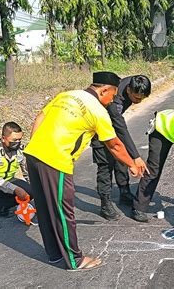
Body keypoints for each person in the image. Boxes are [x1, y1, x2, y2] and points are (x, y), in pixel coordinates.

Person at [24, 72, 144, 271]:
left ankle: (54, 254)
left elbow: (40, 117)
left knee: (45, 209)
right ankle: (75, 260)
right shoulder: (98, 111)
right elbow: (114, 145)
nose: (111, 101)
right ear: (104, 90)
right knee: (64, 212)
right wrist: (132, 164)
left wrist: (35, 145)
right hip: (55, 160)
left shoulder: (67, 95)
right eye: (112, 96)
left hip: (33, 154)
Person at [91, 75, 151, 220]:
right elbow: (120, 127)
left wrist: (129, 155)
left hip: (110, 123)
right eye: (136, 98)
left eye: (142, 99)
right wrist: (136, 157)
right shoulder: (114, 100)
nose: (138, 101)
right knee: (106, 164)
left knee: (121, 157)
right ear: (128, 90)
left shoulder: (135, 83)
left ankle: (124, 192)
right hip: (97, 127)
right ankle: (105, 204)